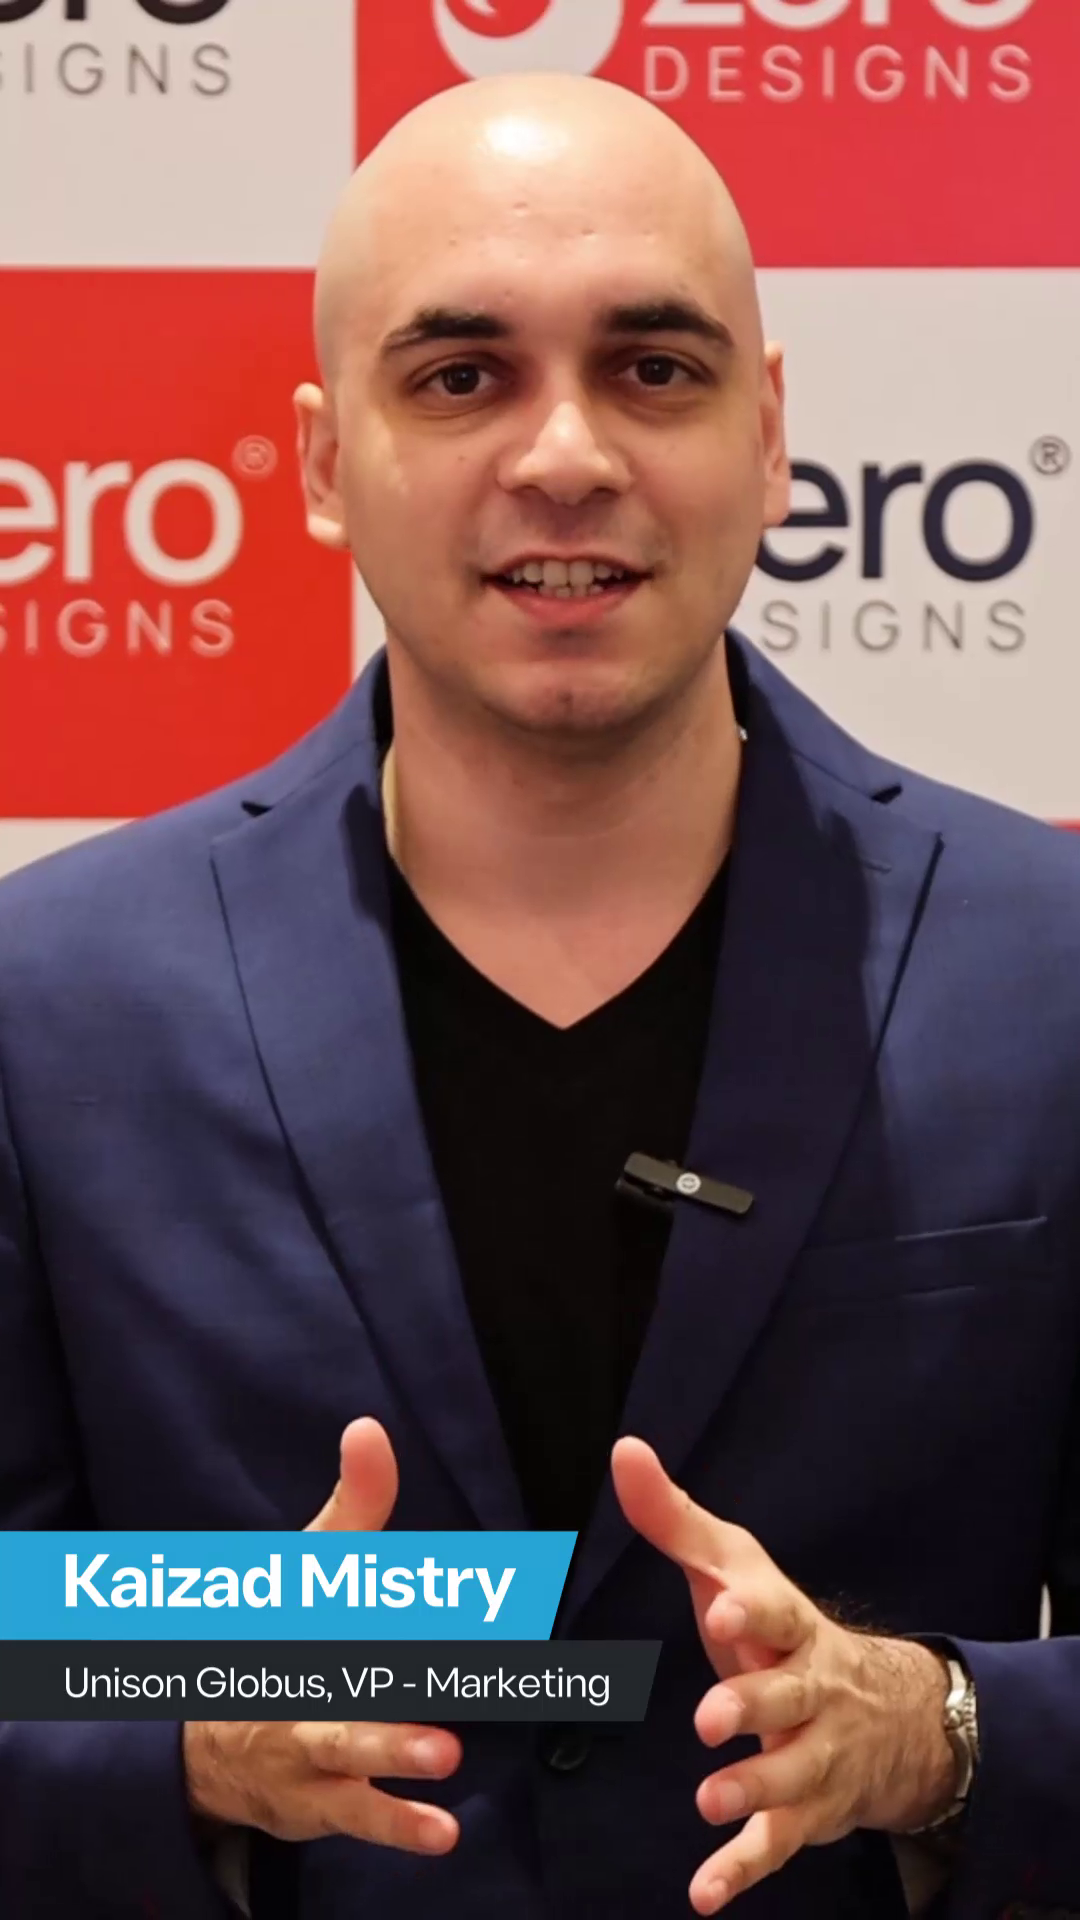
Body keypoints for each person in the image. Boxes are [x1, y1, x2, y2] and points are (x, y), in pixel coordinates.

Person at [0, 67, 1078, 1920]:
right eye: (459, 377)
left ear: (771, 435)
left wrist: (939, 1729)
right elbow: (27, 1649)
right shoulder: (52, 1005)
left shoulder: (1049, 967)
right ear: (324, 463)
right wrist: (190, 1730)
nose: (565, 453)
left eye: (654, 368)